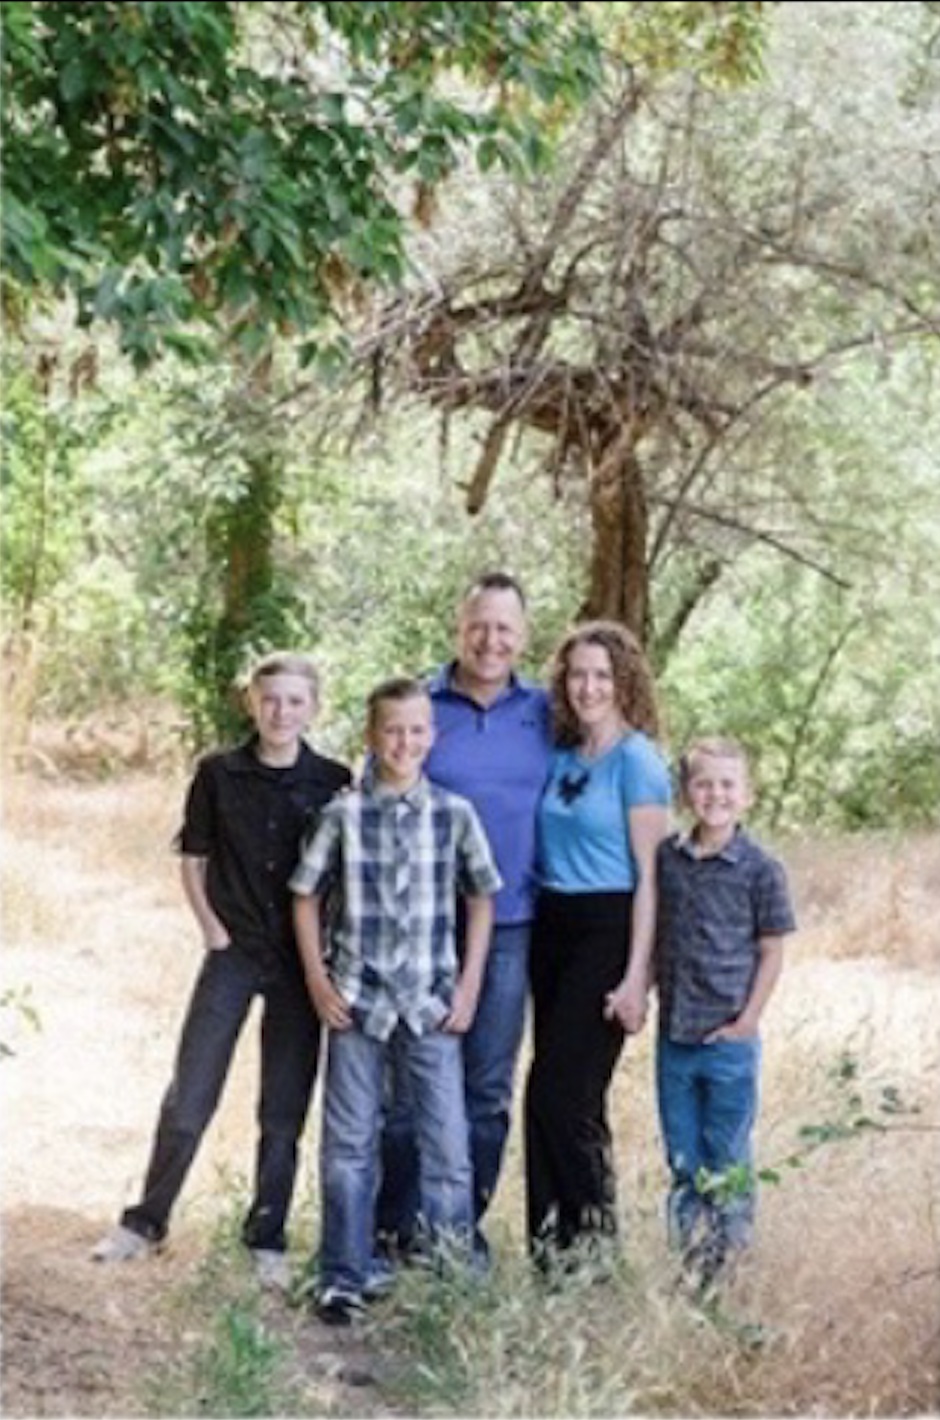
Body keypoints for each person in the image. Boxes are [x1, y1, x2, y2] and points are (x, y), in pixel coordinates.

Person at [91, 651, 351, 1290]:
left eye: (295, 701)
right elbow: (194, 857)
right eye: (270, 699)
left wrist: (328, 952)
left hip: (298, 962)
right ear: (251, 703)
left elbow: (344, 871)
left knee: (283, 1107)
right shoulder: (217, 773)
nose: (281, 712)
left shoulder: (333, 780)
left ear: (314, 707)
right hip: (232, 949)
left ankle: (266, 1236)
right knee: (191, 1091)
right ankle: (145, 1222)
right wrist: (211, 928)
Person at [290, 676, 502, 1325]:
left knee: (448, 1148)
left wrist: (468, 985)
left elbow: (481, 897)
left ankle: (448, 1275)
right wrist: (318, 980)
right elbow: (305, 896)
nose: (404, 742)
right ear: (370, 735)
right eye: (392, 730)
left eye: (416, 731)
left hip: (432, 1004)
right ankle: (344, 1275)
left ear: (432, 737)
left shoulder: (454, 814)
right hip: (356, 1002)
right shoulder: (343, 816)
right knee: (349, 1144)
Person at [376, 572, 553, 1261]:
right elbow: (375, 799)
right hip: (417, 927)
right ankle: (392, 1231)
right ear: (458, 627)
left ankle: (455, 1231)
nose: (490, 640)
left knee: (486, 1089)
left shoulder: (546, 714)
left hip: (510, 926)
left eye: (505, 628)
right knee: (405, 1090)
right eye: (479, 625)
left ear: (524, 635)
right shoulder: (421, 707)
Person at [524, 619, 671, 1267]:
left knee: (562, 1093)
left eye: (602, 676)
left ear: (624, 682)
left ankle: (595, 1252)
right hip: (551, 927)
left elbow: (653, 880)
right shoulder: (561, 753)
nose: (588, 688)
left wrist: (639, 975)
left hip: (608, 929)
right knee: (551, 1094)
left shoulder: (638, 761)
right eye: (578, 675)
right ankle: (551, 1255)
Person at [654, 736, 795, 1292]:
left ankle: (730, 1262)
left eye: (728, 784)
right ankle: (690, 1265)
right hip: (675, 1037)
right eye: (704, 784)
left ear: (748, 794)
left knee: (727, 1153)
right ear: (686, 793)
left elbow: (772, 949)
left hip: (729, 1038)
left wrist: (748, 1020)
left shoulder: (761, 869)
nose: (716, 794)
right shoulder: (667, 859)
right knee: (683, 1157)